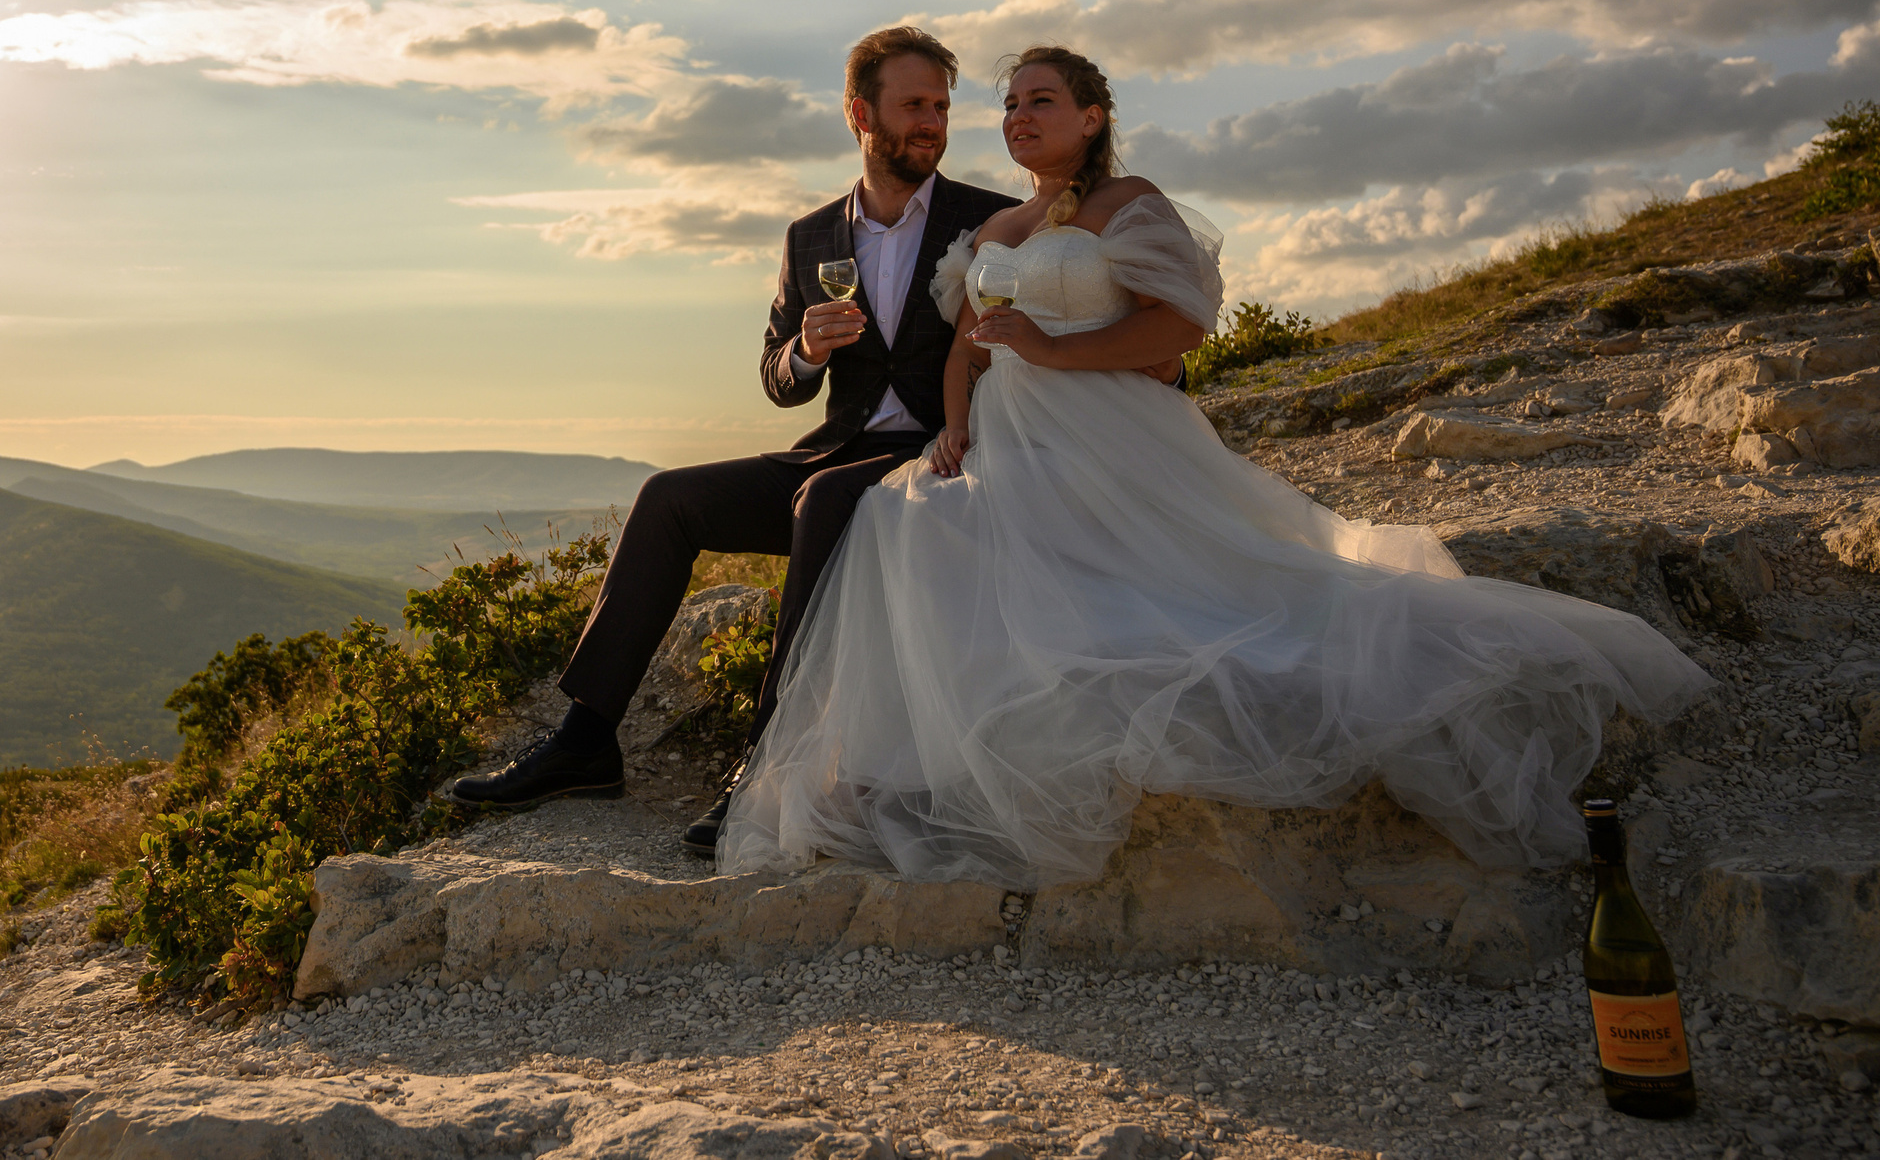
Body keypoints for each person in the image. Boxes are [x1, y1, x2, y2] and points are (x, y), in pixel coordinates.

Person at [718, 46, 1714, 885]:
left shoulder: (1126, 204)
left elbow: (1172, 336)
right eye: (1010, 103)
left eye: (1042, 100)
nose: (1018, 116)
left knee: (1189, 599)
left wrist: (1055, 350)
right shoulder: (999, 229)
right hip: (1003, 431)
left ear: (1092, 115)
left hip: (1103, 427)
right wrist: (952, 430)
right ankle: (906, 766)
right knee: (910, 519)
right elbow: (974, 344)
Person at [447, 26, 1021, 851]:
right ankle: (586, 738)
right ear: (861, 113)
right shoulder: (811, 235)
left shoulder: (987, 219)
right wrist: (809, 351)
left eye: (940, 105)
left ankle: (763, 769)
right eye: (913, 105)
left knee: (822, 502)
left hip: (941, 454)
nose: (932, 122)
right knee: (667, 497)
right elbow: (776, 373)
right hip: (837, 447)